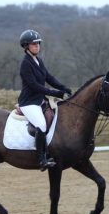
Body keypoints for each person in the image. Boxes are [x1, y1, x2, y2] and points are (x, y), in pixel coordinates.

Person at [18, 29, 72, 171]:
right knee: (41, 125)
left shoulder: (38, 61)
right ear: (26, 46)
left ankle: (51, 151)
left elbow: (49, 78)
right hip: (29, 102)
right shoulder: (25, 64)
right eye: (33, 44)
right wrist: (55, 93)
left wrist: (64, 88)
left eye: (38, 43)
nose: (37, 46)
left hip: (39, 100)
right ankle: (41, 159)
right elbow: (34, 86)